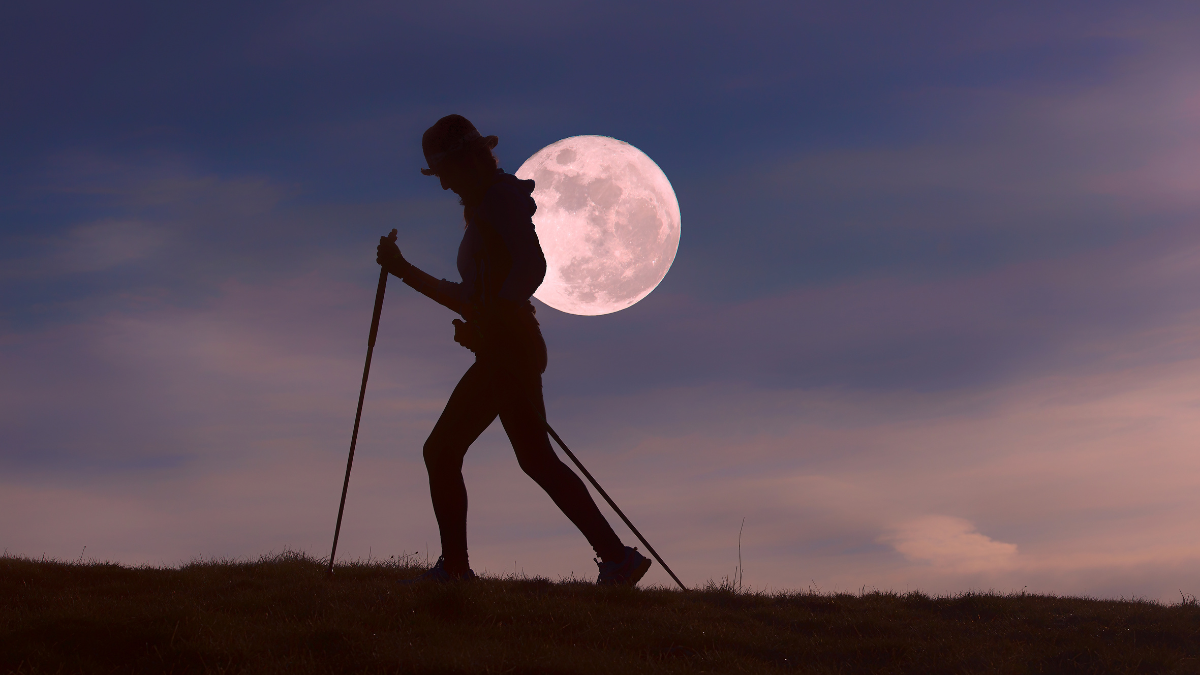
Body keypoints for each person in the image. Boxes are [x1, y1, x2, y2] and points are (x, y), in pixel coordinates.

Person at [376, 114, 651, 586]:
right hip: (509, 345)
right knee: (536, 460)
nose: (442, 186)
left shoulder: (499, 200)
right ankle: (617, 559)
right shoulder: (487, 203)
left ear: (465, 163)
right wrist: (405, 272)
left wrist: (496, 318)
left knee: (442, 451)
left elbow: (532, 265)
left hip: (510, 347)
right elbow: (471, 294)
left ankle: (457, 571)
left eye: (443, 174)